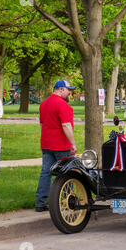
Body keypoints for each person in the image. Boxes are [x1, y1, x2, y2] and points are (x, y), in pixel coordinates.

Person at [35, 80, 77, 212]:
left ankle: (40, 202)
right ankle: (68, 201)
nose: (70, 92)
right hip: (61, 145)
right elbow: (66, 126)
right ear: (60, 89)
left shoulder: (43, 104)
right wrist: (73, 144)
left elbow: (42, 125)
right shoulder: (63, 105)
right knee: (67, 173)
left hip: (46, 144)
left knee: (45, 173)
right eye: (68, 89)